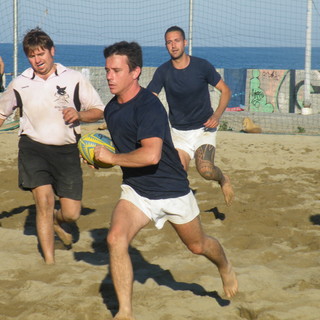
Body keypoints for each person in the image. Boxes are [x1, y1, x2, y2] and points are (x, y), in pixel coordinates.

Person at [94, 41, 238, 320]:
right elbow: (126, 153)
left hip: (171, 190)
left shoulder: (149, 106)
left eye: (116, 70)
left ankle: (225, 266)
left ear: (135, 72)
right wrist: (101, 160)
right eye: (107, 70)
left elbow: (150, 155)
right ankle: (125, 313)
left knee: (198, 246)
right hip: (137, 191)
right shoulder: (111, 109)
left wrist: (111, 159)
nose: (109, 76)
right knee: (115, 239)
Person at [0, 27, 105, 264]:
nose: (38, 60)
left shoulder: (74, 78)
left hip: (67, 151)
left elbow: (99, 110)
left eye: (41, 54)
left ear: (52, 51)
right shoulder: (19, 83)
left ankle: (58, 222)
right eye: (32, 55)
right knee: (44, 203)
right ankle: (50, 262)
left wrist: (78, 114)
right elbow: (2, 113)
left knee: (71, 213)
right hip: (33, 149)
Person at [147, 26, 234, 206]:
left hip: (204, 129)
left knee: (206, 171)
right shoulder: (163, 71)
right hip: (179, 133)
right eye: (169, 42)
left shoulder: (202, 66)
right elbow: (149, 99)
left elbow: (225, 91)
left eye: (177, 40)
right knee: (177, 175)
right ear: (166, 46)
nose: (173, 45)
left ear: (185, 43)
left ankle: (223, 179)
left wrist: (217, 115)